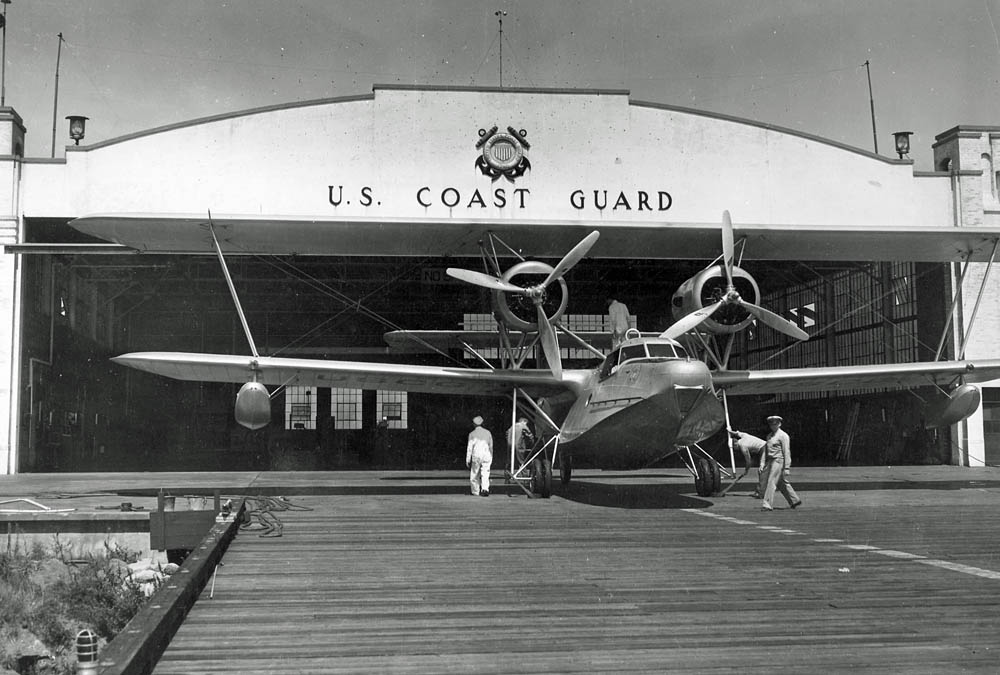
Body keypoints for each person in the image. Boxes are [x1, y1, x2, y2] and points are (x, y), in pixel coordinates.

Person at [759, 415, 802, 511]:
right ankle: (794, 500)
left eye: (776, 423)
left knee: (771, 481)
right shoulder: (769, 436)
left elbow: (786, 451)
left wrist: (787, 467)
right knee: (780, 482)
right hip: (770, 460)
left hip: (778, 460)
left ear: (779, 424)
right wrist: (762, 463)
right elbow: (765, 450)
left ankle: (767, 504)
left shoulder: (783, 436)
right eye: (771, 423)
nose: (773, 425)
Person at [727, 429, 767, 498]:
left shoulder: (743, 446)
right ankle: (761, 491)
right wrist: (730, 432)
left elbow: (748, 461)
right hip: (764, 447)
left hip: (765, 448)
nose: (735, 450)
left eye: (734, 448)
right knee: (764, 471)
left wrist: (746, 470)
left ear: (735, 444)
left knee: (761, 471)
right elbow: (737, 433)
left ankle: (761, 493)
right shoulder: (744, 436)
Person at [466, 415, 494, 497]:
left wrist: (467, 459)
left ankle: (475, 491)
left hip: (476, 455)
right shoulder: (488, 432)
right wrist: (491, 456)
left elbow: (469, 448)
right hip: (486, 454)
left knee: (475, 473)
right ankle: (485, 489)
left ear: (474, 424)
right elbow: (491, 446)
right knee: (485, 473)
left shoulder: (472, 434)